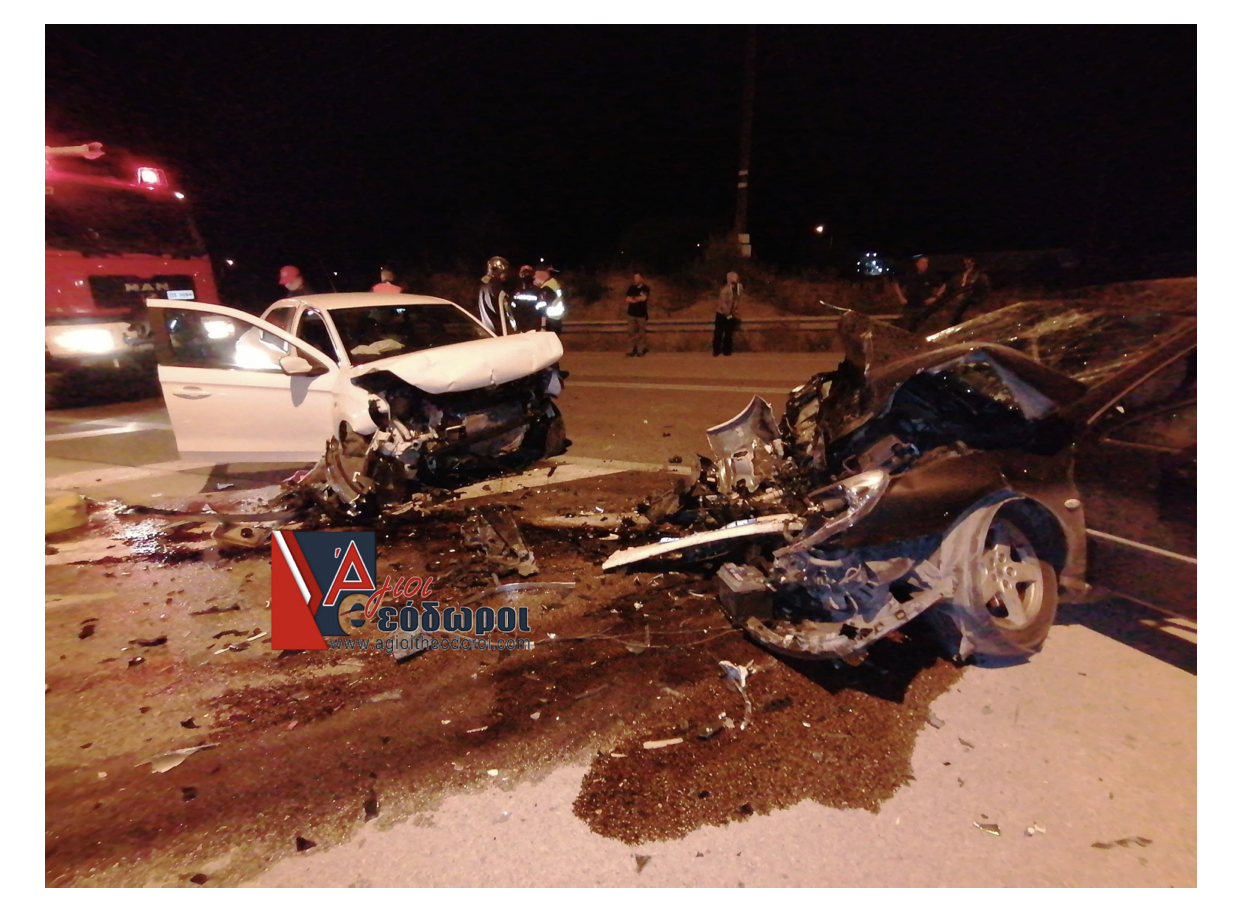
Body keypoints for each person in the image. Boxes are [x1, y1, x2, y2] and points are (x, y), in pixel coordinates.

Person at [896, 255, 945, 332]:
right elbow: (896, 284)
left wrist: (935, 297)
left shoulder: (931, 275)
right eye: (922, 262)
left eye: (926, 263)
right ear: (917, 264)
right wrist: (900, 297)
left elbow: (943, 285)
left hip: (924, 306)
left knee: (924, 328)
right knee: (906, 328)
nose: (924, 265)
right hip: (910, 305)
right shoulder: (910, 274)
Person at [946, 256, 991, 326]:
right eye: (965, 260)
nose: (966, 262)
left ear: (973, 262)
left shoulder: (980, 275)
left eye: (968, 260)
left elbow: (985, 291)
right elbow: (950, 287)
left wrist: (976, 301)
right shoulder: (960, 275)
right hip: (957, 304)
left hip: (970, 304)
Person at [476, 256, 515, 336]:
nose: (506, 275)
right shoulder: (495, 286)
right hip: (497, 331)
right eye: (504, 272)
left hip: (482, 330)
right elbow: (505, 310)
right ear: (497, 271)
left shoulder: (479, 285)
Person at [714, 271, 742, 356]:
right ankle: (716, 350)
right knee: (719, 333)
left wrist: (734, 311)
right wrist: (728, 314)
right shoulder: (725, 290)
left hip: (731, 313)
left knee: (729, 333)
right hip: (722, 314)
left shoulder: (739, 288)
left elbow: (737, 300)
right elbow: (723, 304)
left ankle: (727, 351)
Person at [625, 272, 651, 357]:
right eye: (635, 278)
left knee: (641, 333)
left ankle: (640, 350)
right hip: (631, 313)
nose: (636, 280)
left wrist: (633, 298)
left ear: (641, 279)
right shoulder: (631, 288)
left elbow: (643, 298)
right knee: (631, 332)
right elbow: (627, 299)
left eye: (637, 278)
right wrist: (636, 299)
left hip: (641, 314)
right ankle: (630, 350)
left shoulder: (645, 288)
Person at [534, 268, 565, 334]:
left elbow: (543, 306)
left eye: (536, 276)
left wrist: (543, 326)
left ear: (541, 276)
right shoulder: (553, 283)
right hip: (556, 319)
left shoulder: (547, 287)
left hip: (549, 321)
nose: (534, 277)